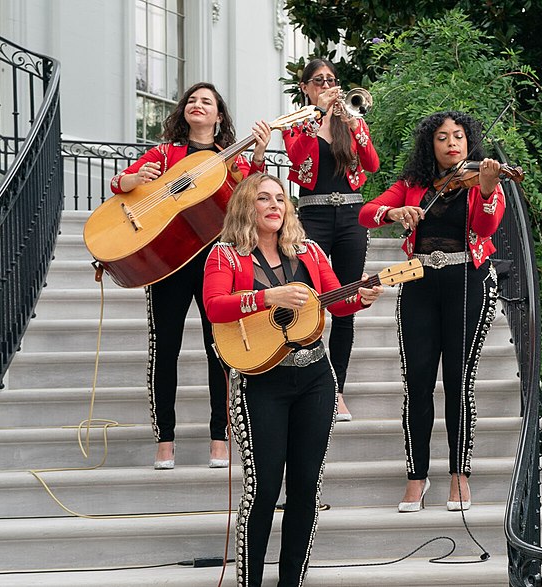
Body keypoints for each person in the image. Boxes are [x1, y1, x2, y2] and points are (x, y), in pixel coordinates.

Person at [202, 173, 383, 586]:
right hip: (260, 381)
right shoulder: (225, 255)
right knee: (263, 488)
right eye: (263, 198)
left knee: (305, 488)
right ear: (246, 206)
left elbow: (337, 303)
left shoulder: (311, 251)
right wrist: (268, 297)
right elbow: (214, 307)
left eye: (280, 198)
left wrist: (363, 296)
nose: (274, 205)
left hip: (316, 379)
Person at [110, 82, 271, 469]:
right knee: (164, 349)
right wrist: (135, 180)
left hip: (214, 261)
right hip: (166, 263)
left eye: (207, 102)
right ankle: (165, 441)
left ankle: (220, 437)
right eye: (193, 100)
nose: (198, 105)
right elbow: (119, 183)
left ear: (219, 116)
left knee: (220, 347)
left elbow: (250, 197)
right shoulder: (164, 153)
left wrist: (260, 153)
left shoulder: (229, 158)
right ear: (184, 110)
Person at [358, 111, 505, 513]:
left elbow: (487, 228)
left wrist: (490, 191)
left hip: (467, 283)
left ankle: (459, 475)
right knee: (418, 384)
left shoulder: (482, 180)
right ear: (431, 144)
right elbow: (366, 212)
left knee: (459, 383)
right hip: (419, 283)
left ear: (468, 139)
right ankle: (416, 477)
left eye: (459, 135)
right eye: (442, 137)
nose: (452, 143)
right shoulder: (413, 184)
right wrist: (392, 213)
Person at [282, 58, 380, 422]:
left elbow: (372, 164)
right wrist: (318, 116)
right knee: (310, 300)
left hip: (352, 217)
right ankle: (307, 382)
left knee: (347, 302)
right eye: (318, 80)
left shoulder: (350, 120)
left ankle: (337, 390)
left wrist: (353, 122)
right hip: (313, 216)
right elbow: (298, 161)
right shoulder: (296, 124)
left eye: (331, 80)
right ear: (305, 87)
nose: (326, 84)